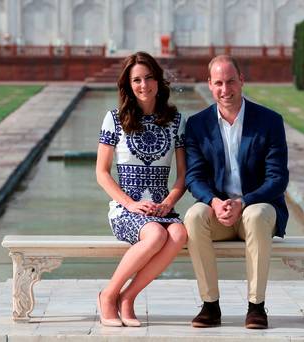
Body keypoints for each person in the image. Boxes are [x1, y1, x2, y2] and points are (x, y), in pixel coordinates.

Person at [184, 55, 289, 329]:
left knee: (255, 215)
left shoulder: (269, 121)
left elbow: (277, 179)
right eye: (218, 83)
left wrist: (243, 202)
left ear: (242, 80)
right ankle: (210, 305)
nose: (225, 89)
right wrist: (214, 202)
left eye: (230, 81)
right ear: (209, 85)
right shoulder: (197, 125)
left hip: (257, 209)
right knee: (194, 216)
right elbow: (193, 177)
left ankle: (256, 307)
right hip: (219, 212)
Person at [96, 51, 187, 327]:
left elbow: (183, 175)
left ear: (159, 81)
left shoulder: (175, 121)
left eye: (148, 78)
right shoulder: (114, 119)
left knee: (180, 233)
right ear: (128, 85)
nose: (143, 85)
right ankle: (108, 295)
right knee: (156, 234)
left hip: (162, 207)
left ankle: (128, 297)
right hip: (126, 210)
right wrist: (130, 204)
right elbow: (101, 173)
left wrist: (170, 201)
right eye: (136, 80)